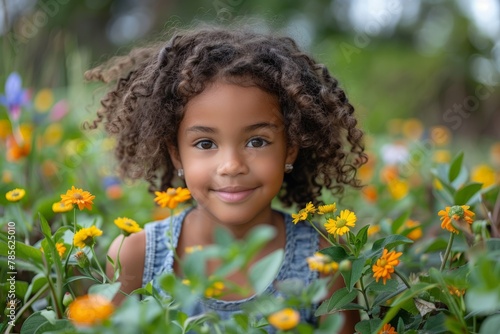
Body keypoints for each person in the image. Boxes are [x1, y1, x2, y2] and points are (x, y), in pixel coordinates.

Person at [86, 24, 366, 333]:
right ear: (177, 155)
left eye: (257, 141)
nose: (231, 166)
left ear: (290, 149)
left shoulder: (326, 259)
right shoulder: (136, 257)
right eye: (205, 144)